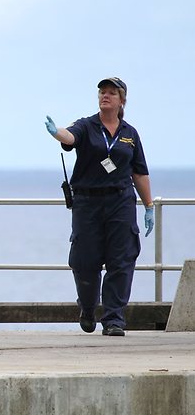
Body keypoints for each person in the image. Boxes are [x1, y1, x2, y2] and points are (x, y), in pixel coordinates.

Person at [44, 77, 154, 337]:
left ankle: (114, 318)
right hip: (88, 202)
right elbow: (70, 138)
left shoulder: (130, 134)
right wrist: (56, 131)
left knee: (122, 259)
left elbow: (139, 172)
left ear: (121, 100)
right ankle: (88, 307)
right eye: (102, 92)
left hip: (120, 201)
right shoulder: (87, 125)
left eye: (112, 93)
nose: (105, 96)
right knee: (85, 261)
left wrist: (149, 205)